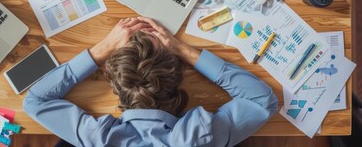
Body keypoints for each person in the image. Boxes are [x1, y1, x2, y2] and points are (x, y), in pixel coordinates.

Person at [23, 17, 278, 147]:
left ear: (116, 85)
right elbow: (261, 100)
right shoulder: (199, 136)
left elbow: (35, 100)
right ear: (179, 78)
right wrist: (182, 49)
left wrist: (102, 49)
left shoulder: (100, 139)